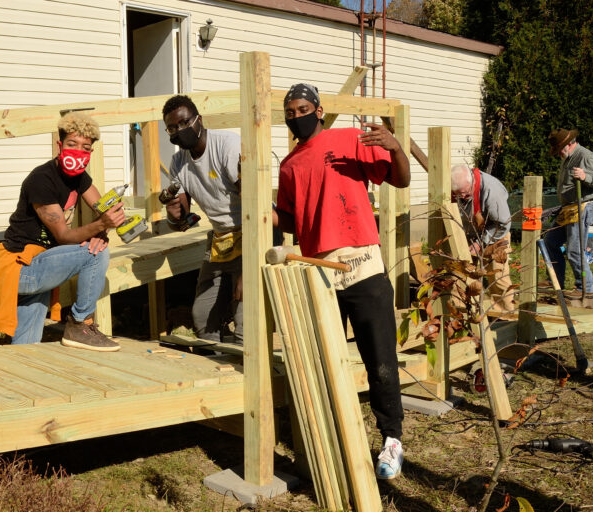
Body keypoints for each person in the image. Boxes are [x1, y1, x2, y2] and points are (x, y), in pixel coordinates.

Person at [272, 83, 409, 480]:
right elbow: (294, 223)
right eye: (289, 110)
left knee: (379, 357)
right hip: (320, 271)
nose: (295, 115)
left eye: (302, 108)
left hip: (363, 263)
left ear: (318, 111)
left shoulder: (350, 140)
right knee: (324, 358)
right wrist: (258, 212)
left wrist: (396, 147)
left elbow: (399, 181)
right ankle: (332, 439)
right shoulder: (289, 165)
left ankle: (392, 440)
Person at [0, 112, 124, 351]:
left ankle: (19, 379)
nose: (78, 152)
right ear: (59, 145)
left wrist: (104, 226)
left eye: (85, 148)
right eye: (71, 144)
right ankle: (79, 324)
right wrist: (101, 226)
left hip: (41, 262)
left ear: (90, 153)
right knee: (95, 254)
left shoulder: (80, 178)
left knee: (26, 348)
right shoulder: (41, 180)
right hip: (20, 268)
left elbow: (102, 208)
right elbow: (63, 236)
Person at [162, 95, 243, 343]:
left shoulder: (227, 145)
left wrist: (247, 271)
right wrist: (174, 214)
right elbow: (183, 218)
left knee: (245, 321)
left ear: (199, 120)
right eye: (172, 128)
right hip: (221, 239)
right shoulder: (178, 162)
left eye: (184, 123)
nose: (179, 130)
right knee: (203, 318)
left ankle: (246, 374)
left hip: (252, 232)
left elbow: (255, 202)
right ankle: (220, 369)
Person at [544, 128, 593, 302]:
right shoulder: (567, 158)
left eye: (559, 149)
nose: (558, 153)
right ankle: (555, 281)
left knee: (574, 249)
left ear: (569, 144)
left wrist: (585, 175)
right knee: (550, 241)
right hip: (569, 209)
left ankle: (585, 288)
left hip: (584, 207)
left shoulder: (584, 155)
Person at [451, 165, 514, 313]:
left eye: (465, 193)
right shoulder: (460, 188)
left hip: (496, 233)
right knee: (461, 274)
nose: (463, 198)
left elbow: (503, 224)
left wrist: (480, 243)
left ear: (472, 181)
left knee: (498, 277)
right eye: (458, 195)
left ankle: (505, 316)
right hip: (471, 235)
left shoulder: (492, 191)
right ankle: (462, 313)